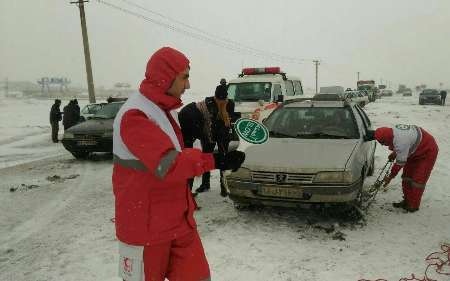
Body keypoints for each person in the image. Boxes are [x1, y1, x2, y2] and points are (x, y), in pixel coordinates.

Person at [112, 47, 245, 281]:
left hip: (179, 221)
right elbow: (170, 164)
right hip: (145, 230)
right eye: (184, 77)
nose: (188, 85)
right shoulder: (136, 115)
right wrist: (215, 160)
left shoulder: (163, 110)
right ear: (166, 76)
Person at [179, 83, 237, 197]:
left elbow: (230, 118)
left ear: (226, 98)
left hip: (222, 133)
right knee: (206, 157)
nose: (220, 102)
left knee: (223, 158)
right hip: (207, 134)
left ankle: (224, 186)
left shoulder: (230, 104)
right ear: (215, 97)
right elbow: (207, 124)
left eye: (223, 100)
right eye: (218, 99)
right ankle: (205, 184)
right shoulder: (208, 104)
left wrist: (227, 119)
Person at [371, 125, 438, 212]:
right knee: (407, 177)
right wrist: (395, 153)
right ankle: (407, 201)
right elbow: (403, 144)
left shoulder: (401, 142)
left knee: (418, 181)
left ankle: (413, 205)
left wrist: (390, 177)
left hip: (427, 151)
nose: (383, 145)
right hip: (414, 151)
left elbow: (400, 163)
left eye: (383, 143)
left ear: (386, 139)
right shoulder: (393, 133)